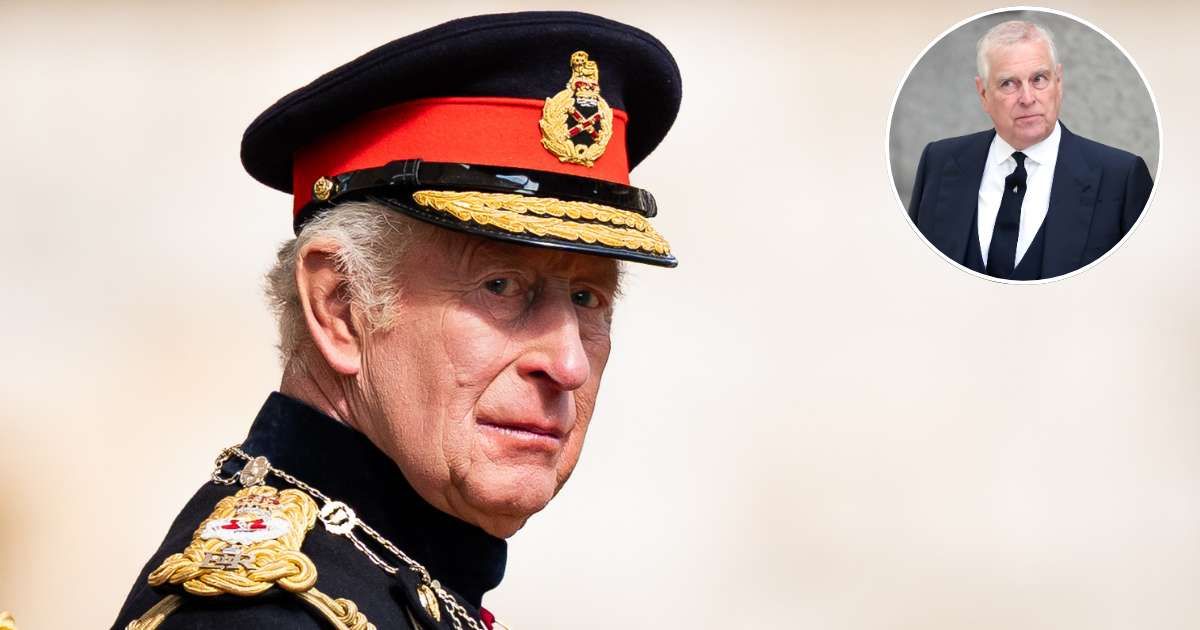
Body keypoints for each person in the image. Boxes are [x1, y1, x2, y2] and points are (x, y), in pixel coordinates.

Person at [112, 11, 681, 629]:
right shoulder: (259, 617)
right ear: (341, 306)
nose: (568, 366)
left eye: (588, 298)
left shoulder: (395, 570)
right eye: (501, 286)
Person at [908, 20, 1153, 281]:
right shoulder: (938, 163)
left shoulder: (1121, 179)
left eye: (1038, 79)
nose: (1027, 98)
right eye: (1008, 84)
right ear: (983, 94)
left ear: (1058, 82)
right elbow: (913, 275)